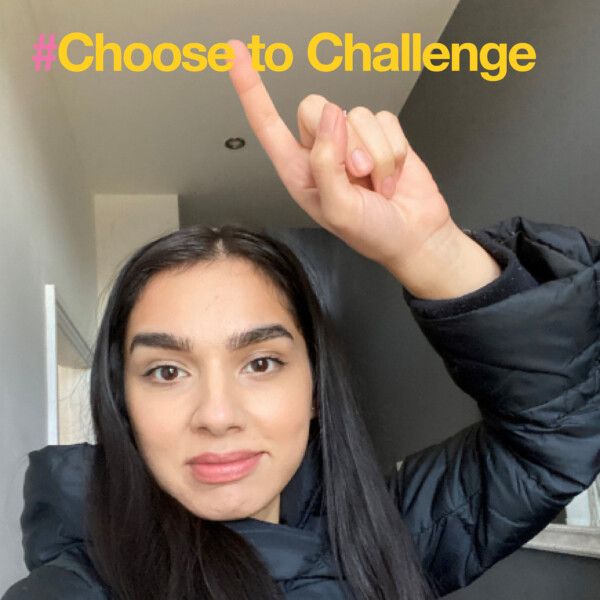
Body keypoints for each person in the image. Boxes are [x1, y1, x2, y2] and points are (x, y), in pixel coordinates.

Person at [3, 40, 600, 600]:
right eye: (166, 371)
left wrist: (432, 251)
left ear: (314, 386)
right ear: (122, 399)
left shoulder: (389, 531)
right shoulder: (76, 585)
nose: (217, 416)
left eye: (261, 363)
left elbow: (555, 432)